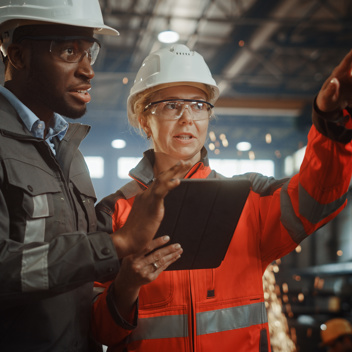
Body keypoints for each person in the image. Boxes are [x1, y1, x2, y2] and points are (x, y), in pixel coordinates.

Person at [91, 44, 352, 351]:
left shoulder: (247, 199)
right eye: (172, 105)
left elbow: (319, 196)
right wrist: (127, 286)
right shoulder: (114, 213)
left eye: (199, 105)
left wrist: (333, 122)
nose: (187, 117)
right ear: (145, 119)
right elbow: (99, 332)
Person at [0, 1, 188, 351]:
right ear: (19, 56)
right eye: (70, 51)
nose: (88, 71)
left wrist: (132, 261)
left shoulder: (68, 152)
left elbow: (78, 256)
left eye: (91, 53)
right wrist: (115, 244)